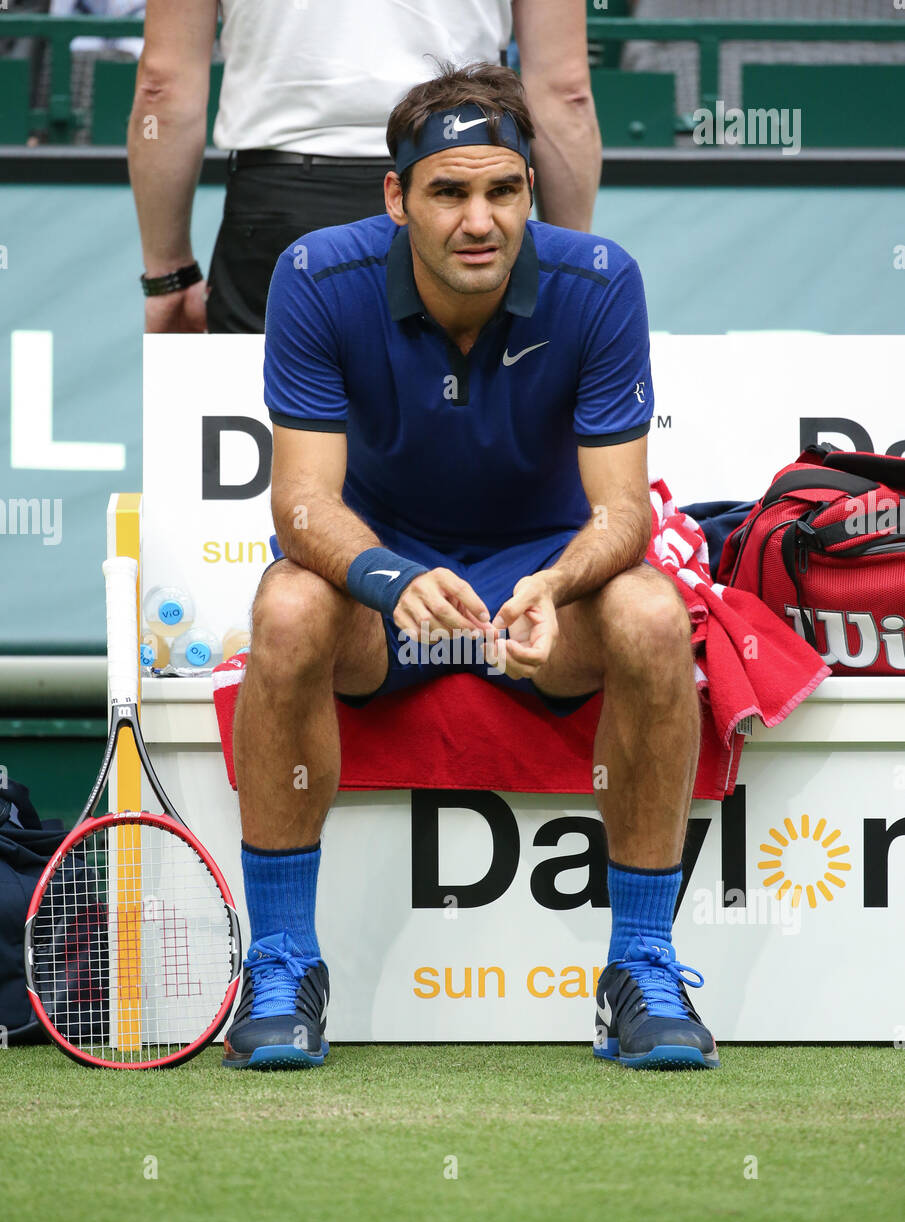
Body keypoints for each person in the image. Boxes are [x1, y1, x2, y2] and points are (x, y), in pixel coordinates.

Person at [223, 61, 718, 1075]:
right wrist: (387, 578)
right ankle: (280, 963)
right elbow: (302, 503)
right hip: (383, 587)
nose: (479, 219)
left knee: (651, 616)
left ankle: (641, 965)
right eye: (448, 191)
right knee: (282, 605)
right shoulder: (316, 276)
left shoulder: (599, 280)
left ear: (530, 189)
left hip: (541, 586)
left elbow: (622, 509)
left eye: (503, 189)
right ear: (396, 196)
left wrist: (557, 584)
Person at [127, 0, 602, 333]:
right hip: (455, 190)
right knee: (453, 453)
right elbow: (566, 93)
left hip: (277, 205)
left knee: (273, 459)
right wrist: (572, 271)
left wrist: (169, 277)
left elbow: (160, 90)